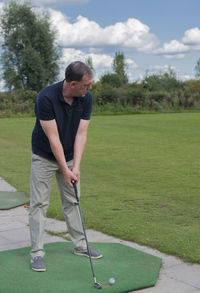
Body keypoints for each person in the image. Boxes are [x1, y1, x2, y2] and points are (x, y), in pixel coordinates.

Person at [29, 61, 102, 272]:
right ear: (72, 84)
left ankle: (81, 246)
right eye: (86, 85)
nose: (89, 89)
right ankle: (36, 254)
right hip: (43, 155)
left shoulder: (85, 98)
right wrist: (65, 168)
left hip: (70, 155)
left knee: (73, 201)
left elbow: (81, 134)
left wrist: (75, 167)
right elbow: (54, 140)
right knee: (39, 204)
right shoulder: (46, 98)